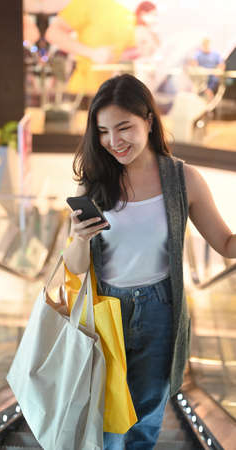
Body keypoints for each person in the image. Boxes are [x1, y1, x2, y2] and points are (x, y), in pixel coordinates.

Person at [63, 74, 236, 449]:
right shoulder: (93, 182)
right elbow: (74, 267)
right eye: (104, 131)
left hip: (161, 309)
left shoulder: (182, 178)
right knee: (108, 413)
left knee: (145, 415)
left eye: (124, 128)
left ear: (149, 121)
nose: (114, 142)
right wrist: (78, 238)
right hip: (105, 308)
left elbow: (225, 243)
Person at [45, 0, 136, 96]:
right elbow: (52, 33)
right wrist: (92, 53)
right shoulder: (88, 2)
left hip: (118, 92)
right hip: (86, 91)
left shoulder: (130, 10)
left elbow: (127, 50)